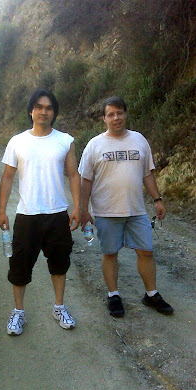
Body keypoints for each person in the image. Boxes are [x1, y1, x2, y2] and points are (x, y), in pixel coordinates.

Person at [79, 96, 173, 318]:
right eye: (110, 114)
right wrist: (83, 210)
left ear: (125, 114)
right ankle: (113, 295)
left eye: (119, 112)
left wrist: (157, 199)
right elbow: (85, 180)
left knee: (146, 251)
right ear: (104, 118)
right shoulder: (94, 145)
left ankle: (151, 294)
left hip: (136, 210)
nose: (116, 118)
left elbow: (147, 173)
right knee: (110, 253)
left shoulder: (139, 140)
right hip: (106, 211)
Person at [0, 88, 80, 335]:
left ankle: (59, 307)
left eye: (49, 108)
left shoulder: (65, 140)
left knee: (59, 264)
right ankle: (18, 312)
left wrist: (78, 207)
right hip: (27, 215)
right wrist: (2, 210)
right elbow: (7, 177)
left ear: (54, 112)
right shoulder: (17, 141)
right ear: (31, 111)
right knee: (19, 266)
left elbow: (74, 175)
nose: (44, 112)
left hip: (57, 214)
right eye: (39, 107)